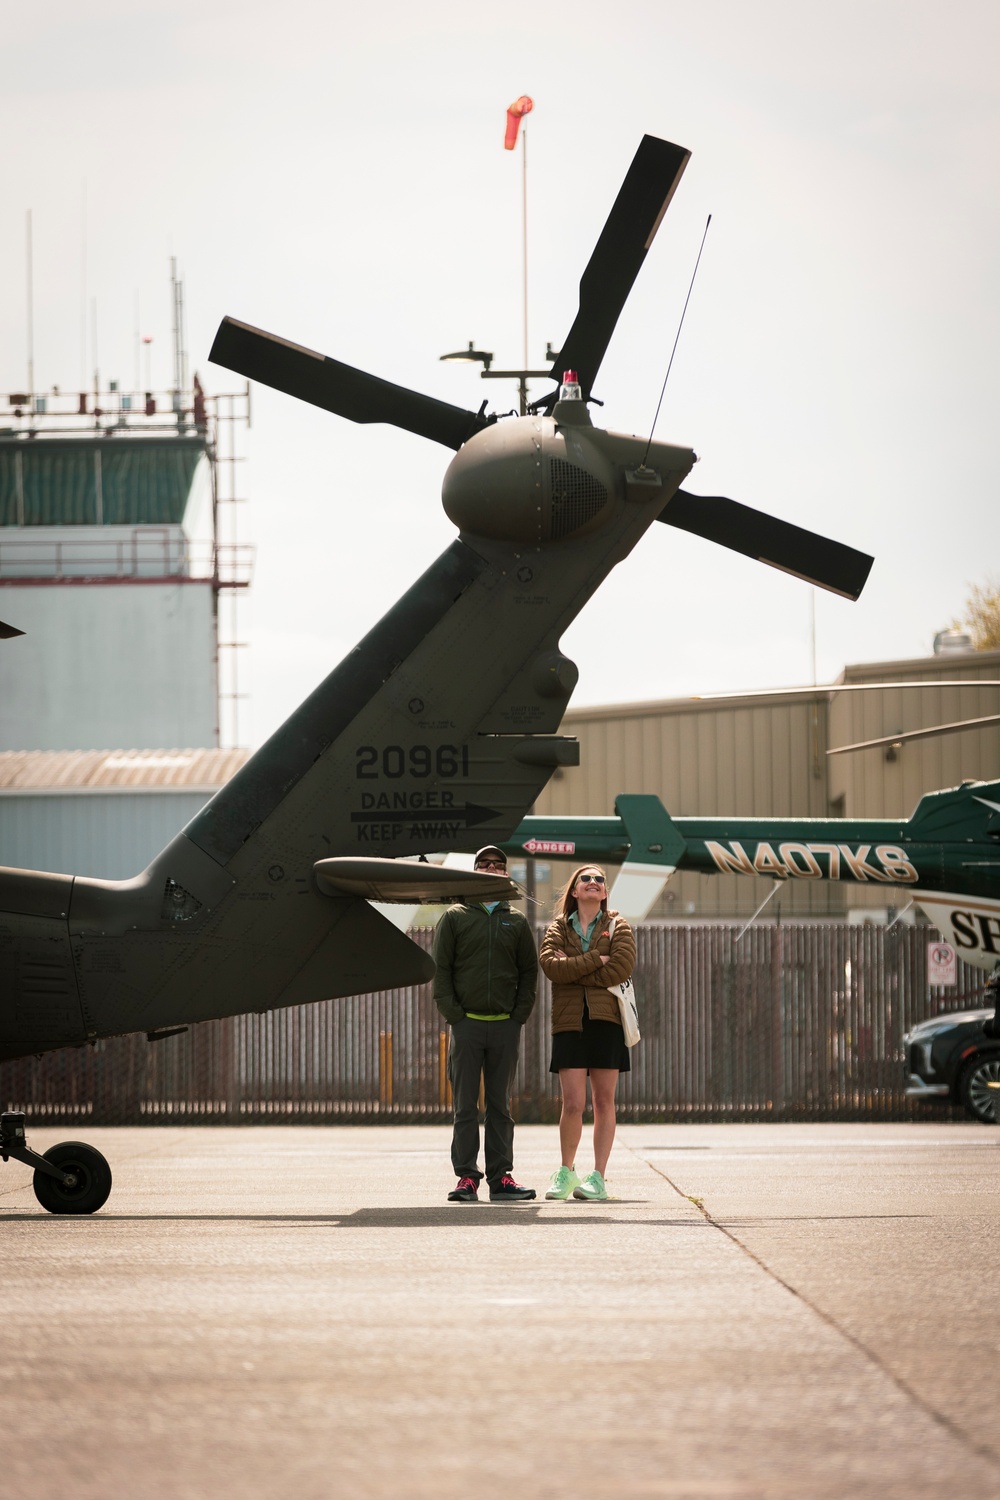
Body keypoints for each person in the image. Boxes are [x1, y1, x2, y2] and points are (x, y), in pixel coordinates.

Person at [433, 846, 538, 1203]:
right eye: (484, 864)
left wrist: (518, 1016)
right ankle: (467, 1178)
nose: (492, 868)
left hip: (505, 1027)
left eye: (498, 865)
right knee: (465, 1106)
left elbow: (528, 972)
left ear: (506, 874)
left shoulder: (517, 921)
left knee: (500, 1106)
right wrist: (456, 1017)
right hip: (467, 1027)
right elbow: (441, 972)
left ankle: (501, 1178)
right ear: (474, 871)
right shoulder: (455, 916)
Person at [538, 865, 636, 1202]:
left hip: (606, 1020)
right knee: (573, 1103)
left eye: (600, 880)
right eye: (586, 879)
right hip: (570, 1023)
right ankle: (566, 1173)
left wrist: (575, 967)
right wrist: (598, 958)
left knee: (604, 1101)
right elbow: (551, 966)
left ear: (605, 892)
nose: (594, 883)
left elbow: (621, 967)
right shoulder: (557, 927)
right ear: (575, 891)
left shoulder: (617, 925)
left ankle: (598, 1178)